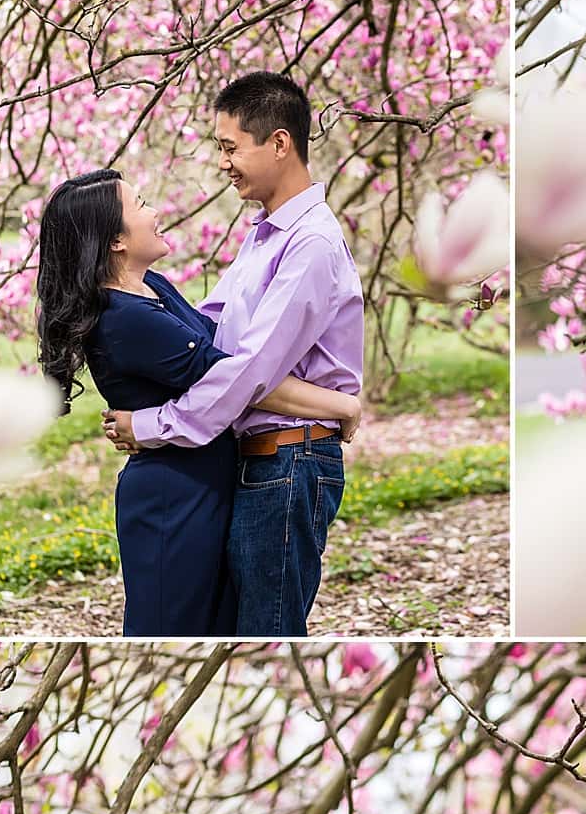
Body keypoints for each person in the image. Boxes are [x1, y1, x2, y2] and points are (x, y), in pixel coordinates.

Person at [35, 168, 360, 637]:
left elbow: (226, 352)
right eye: (141, 204)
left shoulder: (154, 290)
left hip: (205, 481)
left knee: (221, 623)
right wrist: (340, 405)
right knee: (172, 624)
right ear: (115, 241)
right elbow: (237, 377)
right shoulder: (125, 318)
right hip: (175, 496)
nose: (155, 211)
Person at [102, 71, 364, 637]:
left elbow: (246, 371)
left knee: (265, 631)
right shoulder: (265, 233)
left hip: (289, 460)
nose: (223, 162)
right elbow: (212, 332)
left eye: (229, 147)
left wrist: (151, 425)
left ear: (278, 143)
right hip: (264, 459)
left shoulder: (310, 244)